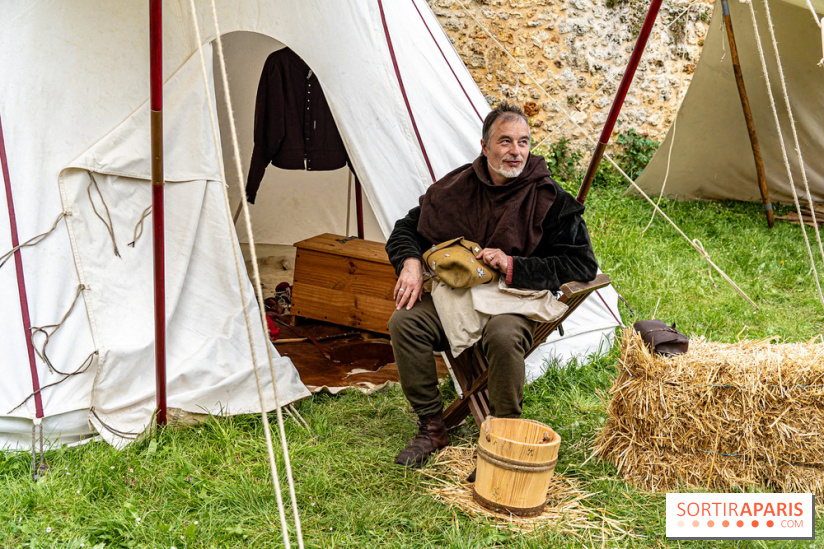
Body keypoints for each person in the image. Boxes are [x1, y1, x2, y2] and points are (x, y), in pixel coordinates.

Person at [385, 101, 598, 468]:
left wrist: (514, 265)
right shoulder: (457, 188)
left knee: (501, 335)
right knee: (405, 323)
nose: (515, 152)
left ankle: (505, 433)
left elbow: (582, 264)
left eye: (523, 142)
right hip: (458, 299)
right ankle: (433, 426)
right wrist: (410, 261)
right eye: (505, 142)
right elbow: (407, 229)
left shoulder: (550, 199)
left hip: (515, 301)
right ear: (485, 147)